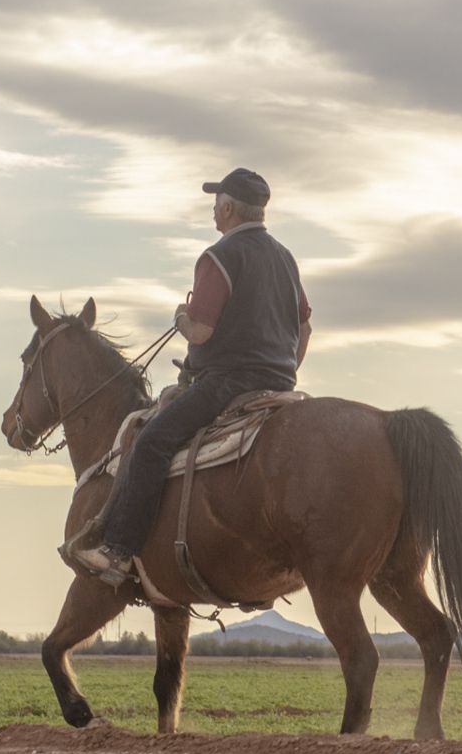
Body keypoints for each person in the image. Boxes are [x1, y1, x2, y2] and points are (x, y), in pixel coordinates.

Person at [74, 168, 312, 582]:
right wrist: (285, 370)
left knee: (150, 443)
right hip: (279, 385)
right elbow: (304, 327)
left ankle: (119, 552)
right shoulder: (285, 257)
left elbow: (201, 330)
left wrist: (181, 317)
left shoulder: (219, 256)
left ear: (228, 208)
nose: (213, 211)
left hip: (226, 383)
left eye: (216, 203)